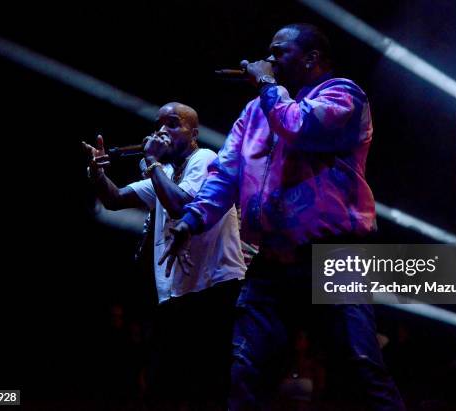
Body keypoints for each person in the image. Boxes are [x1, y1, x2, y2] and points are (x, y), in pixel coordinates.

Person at [160, 25, 406, 410]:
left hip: (332, 258)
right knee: (247, 370)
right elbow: (225, 174)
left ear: (311, 59)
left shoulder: (344, 95)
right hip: (272, 263)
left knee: (359, 369)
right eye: (268, 53)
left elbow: (301, 126)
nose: (270, 60)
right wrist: (191, 221)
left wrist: (266, 86)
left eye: (279, 52)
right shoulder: (256, 112)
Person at [83, 102, 246, 409]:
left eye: (172, 124)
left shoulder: (205, 159)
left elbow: (181, 205)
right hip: (179, 293)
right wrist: (97, 173)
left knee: (210, 386)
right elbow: (115, 199)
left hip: (215, 288)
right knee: (164, 385)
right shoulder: (166, 172)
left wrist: (152, 163)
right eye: (158, 125)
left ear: (194, 134)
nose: (162, 131)